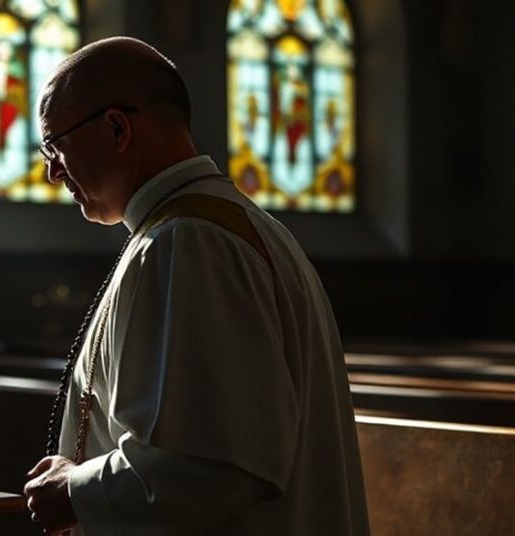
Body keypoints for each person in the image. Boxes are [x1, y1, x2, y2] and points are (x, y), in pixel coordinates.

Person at [22, 36, 369, 535]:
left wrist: (74, 490)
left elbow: (210, 470)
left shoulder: (189, 243)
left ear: (117, 128)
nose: (52, 171)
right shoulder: (221, 227)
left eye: (55, 146)